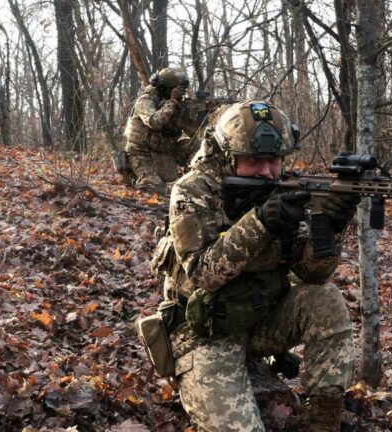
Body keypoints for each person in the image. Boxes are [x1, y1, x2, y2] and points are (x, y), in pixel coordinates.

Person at [151, 100, 361, 431]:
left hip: (259, 322)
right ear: (227, 155)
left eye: (273, 161)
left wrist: (331, 225)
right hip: (201, 333)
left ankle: (323, 421)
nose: (266, 171)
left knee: (325, 298)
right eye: (254, 161)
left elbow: (312, 274)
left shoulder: (285, 189)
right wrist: (261, 223)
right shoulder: (193, 190)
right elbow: (203, 273)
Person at [122, 67, 196, 196]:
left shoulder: (175, 104)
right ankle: (132, 176)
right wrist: (172, 102)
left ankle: (192, 178)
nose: (181, 93)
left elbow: (193, 132)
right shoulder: (145, 100)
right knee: (155, 189)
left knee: (197, 144)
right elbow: (154, 122)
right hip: (141, 152)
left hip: (165, 150)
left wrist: (192, 116)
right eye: (178, 90)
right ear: (167, 88)